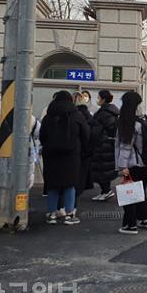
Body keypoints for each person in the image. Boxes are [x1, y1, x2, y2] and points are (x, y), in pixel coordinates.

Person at [40, 91, 90, 225]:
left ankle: (52, 214)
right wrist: (84, 150)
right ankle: (69, 214)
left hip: (51, 155)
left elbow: (42, 136)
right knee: (70, 184)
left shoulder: (48, 117)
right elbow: (86, 134)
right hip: (72, 155)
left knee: (52, 185)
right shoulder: (77, 115)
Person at [116, 91, 147, 234]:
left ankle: (130, 225)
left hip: (132, 164)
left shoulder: (128, 123)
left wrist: (122, 166)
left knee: (129, 193)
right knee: (139, 191)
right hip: (145, 163)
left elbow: (126, 147)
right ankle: (144, 219)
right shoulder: (141, 120)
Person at [90, 90, 119, 201]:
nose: (97, 99)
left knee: (102, 169)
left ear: (103, 99)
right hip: (105, 144)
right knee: (103, 170)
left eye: (98, 97)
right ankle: (105, 191)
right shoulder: (109, 111)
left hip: (102, 145)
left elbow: (106, 128)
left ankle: (106, 191)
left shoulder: (105, 113)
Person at [73, 92, 95, 213]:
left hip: (71, 152)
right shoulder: (88, 115)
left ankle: (58, 210)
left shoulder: (71, 115)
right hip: (83, 152)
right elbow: (89, 134)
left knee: (68, 181)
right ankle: (72, 208)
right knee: (78, 181)